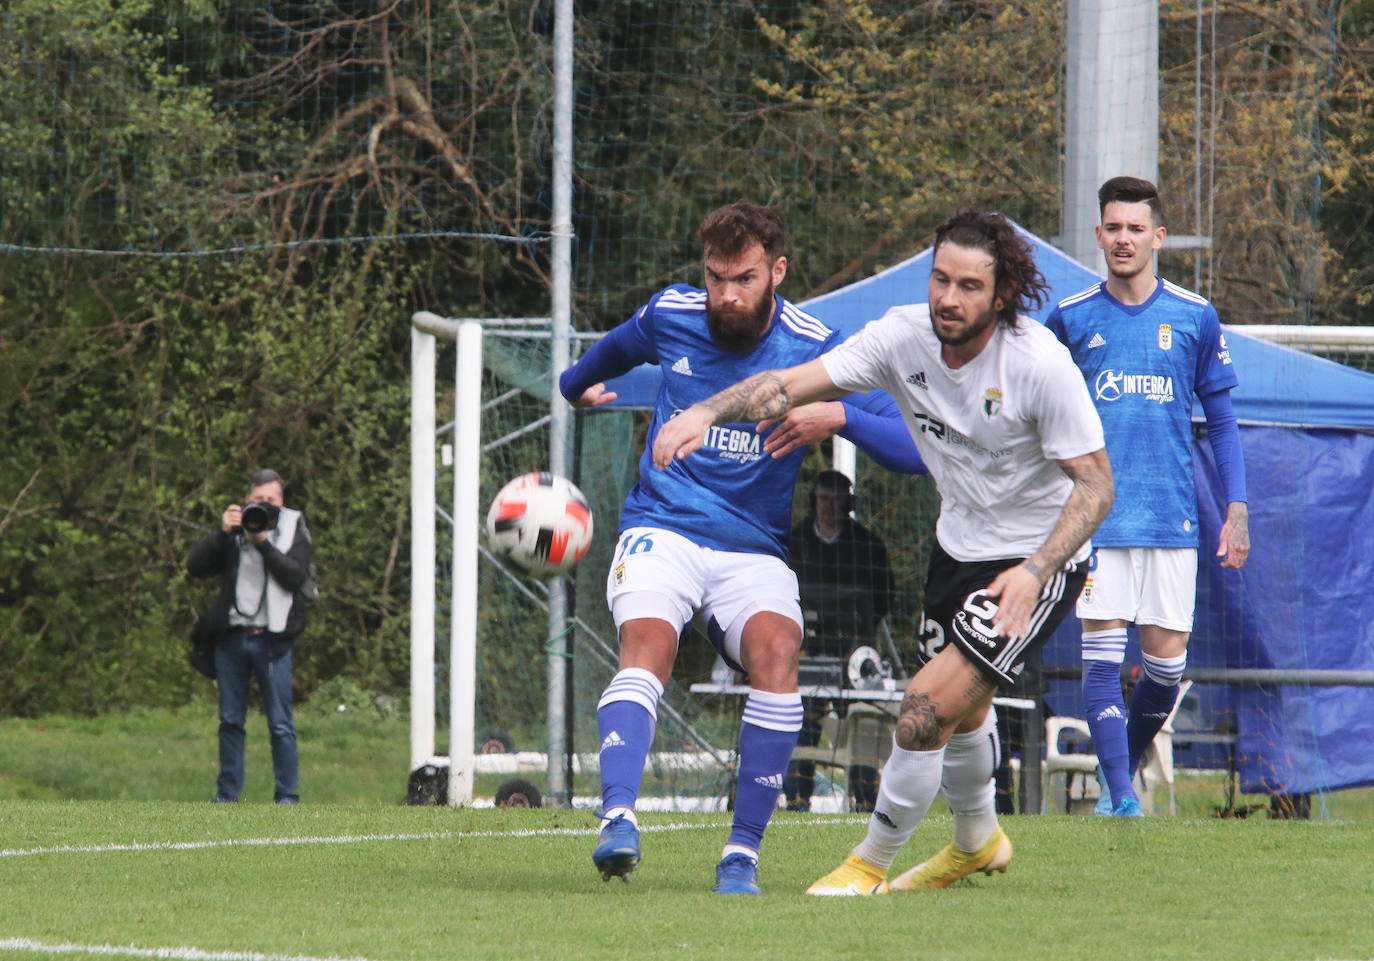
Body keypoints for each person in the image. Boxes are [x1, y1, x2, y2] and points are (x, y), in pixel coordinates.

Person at [652, 209, 1114, 895]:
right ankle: (978, 839)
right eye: (940, 279)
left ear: (1001, 293)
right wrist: (704, 411)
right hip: (955, 550)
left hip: (1035, 560)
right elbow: (791, 384)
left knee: (925, 704)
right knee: (968, 713)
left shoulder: (1037, 363)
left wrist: (1036, 571)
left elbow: (1098, 485)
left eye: (968, 286)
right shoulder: (901, 337)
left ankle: (868, 862)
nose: (948, 299)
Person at [558, 200, 921, 895]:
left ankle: (741, 856)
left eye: (744, 277)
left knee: (778, 654)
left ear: (777, 272)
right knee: (649, 642)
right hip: (662, 524)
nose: (726, 293)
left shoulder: (818, 345)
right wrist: (575, 387)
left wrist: (838, 413)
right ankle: (618, 818)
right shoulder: (673, 315)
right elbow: (608, 352)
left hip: (752, 549)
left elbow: (914, 447)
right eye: (716, 276)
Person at [1044, 176, 1249, 817]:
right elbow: (1037, 410)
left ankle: (1118, 773)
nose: (1124, 239)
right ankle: (1123, 799)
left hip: (1171, 517)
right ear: (1099, 234)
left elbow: (1220, 419)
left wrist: (1238, 507)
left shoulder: (1193, 315)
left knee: (1165, 669)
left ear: (1158, 237)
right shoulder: (1070, 318)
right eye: (1113, 227)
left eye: (1136, 228)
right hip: (1096, 520)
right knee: (1101, 658)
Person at [187, 468, 314, 804]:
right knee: (230, 720)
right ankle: (227, 796)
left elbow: (295, 577)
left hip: (273, 641)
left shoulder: (292, 528)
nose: (265, 507)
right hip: (231, 639)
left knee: (280, 724)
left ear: (282, 501)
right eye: (258, 501)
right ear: (246, 501)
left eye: (271, 500)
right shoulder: (234, 531)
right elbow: (194, 567)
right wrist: (221, 533)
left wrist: (263, 544)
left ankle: (287, 797)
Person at [784, 469, 894, 812]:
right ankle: (797, 796)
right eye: (824, 498)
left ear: (849, 503)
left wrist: (857, 637)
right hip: (804, 650)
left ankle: (864, 799)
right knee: (798, 713)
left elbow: (883, 600)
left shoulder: (868, 546)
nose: (830, 506)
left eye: (837, 499)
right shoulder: (794, 542)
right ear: (813, 501)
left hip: (854, 652)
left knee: (864, 722)